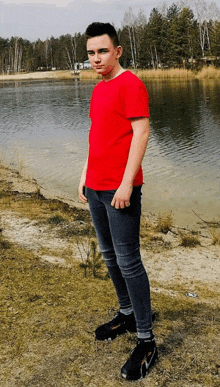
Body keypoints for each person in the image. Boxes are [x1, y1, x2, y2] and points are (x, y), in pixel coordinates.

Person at [78, 22, 158, 381]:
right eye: (91, 52)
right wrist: (84, 175)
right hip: (95, 186)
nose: (96, 58)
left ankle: (147, 340)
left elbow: (141, 132)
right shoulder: (99, 90)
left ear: (117, 51)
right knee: (109, 255)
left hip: (119, 190)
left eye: (102, 51)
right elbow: (97, 136)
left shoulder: (131, 84)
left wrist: (126, 185)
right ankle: (126, 314)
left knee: (128, 260)